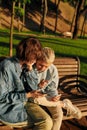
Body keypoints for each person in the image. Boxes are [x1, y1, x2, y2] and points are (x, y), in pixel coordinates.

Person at [0, 38, 53, 130]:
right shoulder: (7, 67)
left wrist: (30, 70)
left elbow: (34, 87)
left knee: (47, 121)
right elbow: (2, 97)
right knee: (44, 123)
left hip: (25, 102)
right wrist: (27, 95)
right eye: (35, 57)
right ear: (28, 54)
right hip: (9, 107)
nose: (36, 60)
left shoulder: (27, 65)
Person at [24, 47, 82, 130]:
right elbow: (30, 89)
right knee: (35, 99)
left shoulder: (53, 69)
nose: (43, 68)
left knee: (59, 114)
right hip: (33, 96)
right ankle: (64, 104)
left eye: (46, 66)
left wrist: (54, 97)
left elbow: (52, 88)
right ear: (36, 60)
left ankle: (62, 103)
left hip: (47, 97)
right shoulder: (30, 68)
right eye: (40, 64)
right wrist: (39, 86)